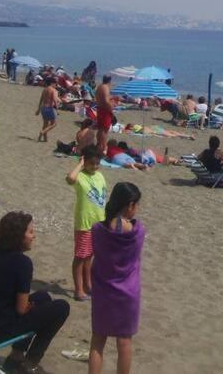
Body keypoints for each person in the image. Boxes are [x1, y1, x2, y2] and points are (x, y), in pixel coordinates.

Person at [0, 211, 71, 373]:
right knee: (61, 307)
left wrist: (27, 307)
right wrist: (27, 308)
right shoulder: (22, 263)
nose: (34, 236)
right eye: (30, 232)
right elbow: (21, 309)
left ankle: (16, 356)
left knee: (42, 296)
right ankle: (30, 362)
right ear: (18, 237)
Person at [89, 182, 145, 374]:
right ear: (130, 205)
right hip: (128, 292)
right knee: (124, 342)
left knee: (98, 341)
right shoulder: (138, 231)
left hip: (104, 290)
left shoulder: (97, 229)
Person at [66, 145, 107, 301]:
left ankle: (88, 285)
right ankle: (78, 290)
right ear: (85, 162)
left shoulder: (100, 176)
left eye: (97, 163)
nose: (95, 166)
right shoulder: (80, 176)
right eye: (91, 163)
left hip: (98, 223)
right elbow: (70, 178)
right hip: (84, 224)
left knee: (89, 256)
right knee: (80, 256)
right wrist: (80, 164)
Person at [34, 77, 59, 143]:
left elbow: (41, 99)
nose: (56, 85)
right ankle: (42, 132)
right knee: (54, 124)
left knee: (45, 124)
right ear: (52, 83)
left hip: (43, 108)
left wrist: (38, 109)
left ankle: (45, 139)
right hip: (49, 108)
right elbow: (54, 100)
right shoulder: (52, 90)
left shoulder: (45, 89)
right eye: (55, 84)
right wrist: (57, 109)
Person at [95, 75, 114, 155]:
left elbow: (97, 97)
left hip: (100, 109)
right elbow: (106, 101)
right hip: (104, 110)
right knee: (104, 129)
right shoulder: (105, 87)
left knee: (100, 128)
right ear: (109, 80)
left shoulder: (99, 86)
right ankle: (104, 147)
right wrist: (111, 109)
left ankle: (99, 145)